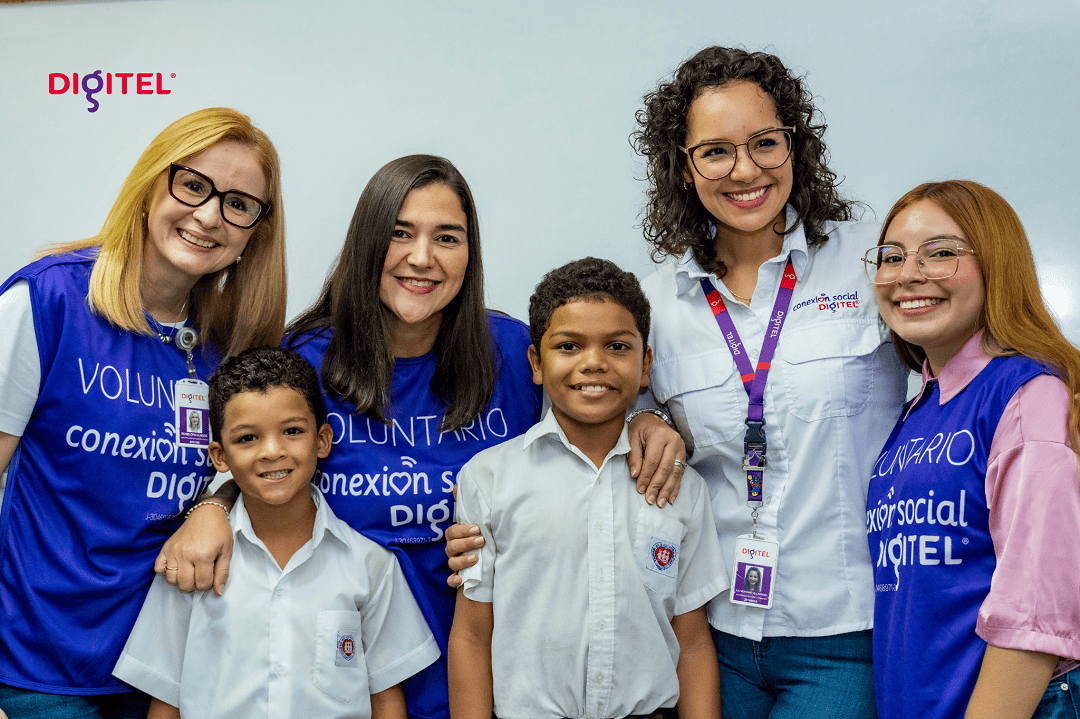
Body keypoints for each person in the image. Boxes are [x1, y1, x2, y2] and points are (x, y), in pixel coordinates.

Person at [169, 154, 683, 719]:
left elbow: (593, 406)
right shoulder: (305, 359)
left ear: (470, 253)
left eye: (447, 237)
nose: (422, 257)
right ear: (367, 243)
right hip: (344, 688)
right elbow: (252, 459)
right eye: (400, 233)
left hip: (489, 683)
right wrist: (212, 507)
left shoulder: (513, 352)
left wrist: (646, 417)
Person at [630, 46, 910, 717]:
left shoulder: (871, 258)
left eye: (764, 142)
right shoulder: (655, 304)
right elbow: (611, 411)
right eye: (715, 152)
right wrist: (642, 417)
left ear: (795, 143)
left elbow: (967, 359)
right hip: (711, 633)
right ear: (683, 166)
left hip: (843, 631)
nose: (746, 169)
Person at [0, 107, 286, 717]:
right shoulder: (48, 300)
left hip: (171, 670)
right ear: (152, 183)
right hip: (39, 674)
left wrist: (213, 504)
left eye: (239, 204)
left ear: (255, 232)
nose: (209, 216)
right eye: (194, 185)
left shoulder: (231, 344)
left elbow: (245, 466)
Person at [449, 257, 727, 719]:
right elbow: (472, 636)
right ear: (537, 363)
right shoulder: (489, 478)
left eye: (617, 346)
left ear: (645, 364)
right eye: (569, 346)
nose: (594, 363)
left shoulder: (680, 487)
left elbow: (693, 642)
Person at [114, 347, 439, 719]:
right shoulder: (192, 561)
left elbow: (386, 697)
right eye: (247, 438)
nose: (272, 451)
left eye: (292, 431)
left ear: (322, 439)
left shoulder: (370, 565)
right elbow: (165, 699)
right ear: (219, 456)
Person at [865, 180, 1080, 719]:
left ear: (996, 265)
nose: (908, 274)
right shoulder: (917, 411)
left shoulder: (1028, 394)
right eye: (892, 256)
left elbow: (1036, 610)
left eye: (940, 253)